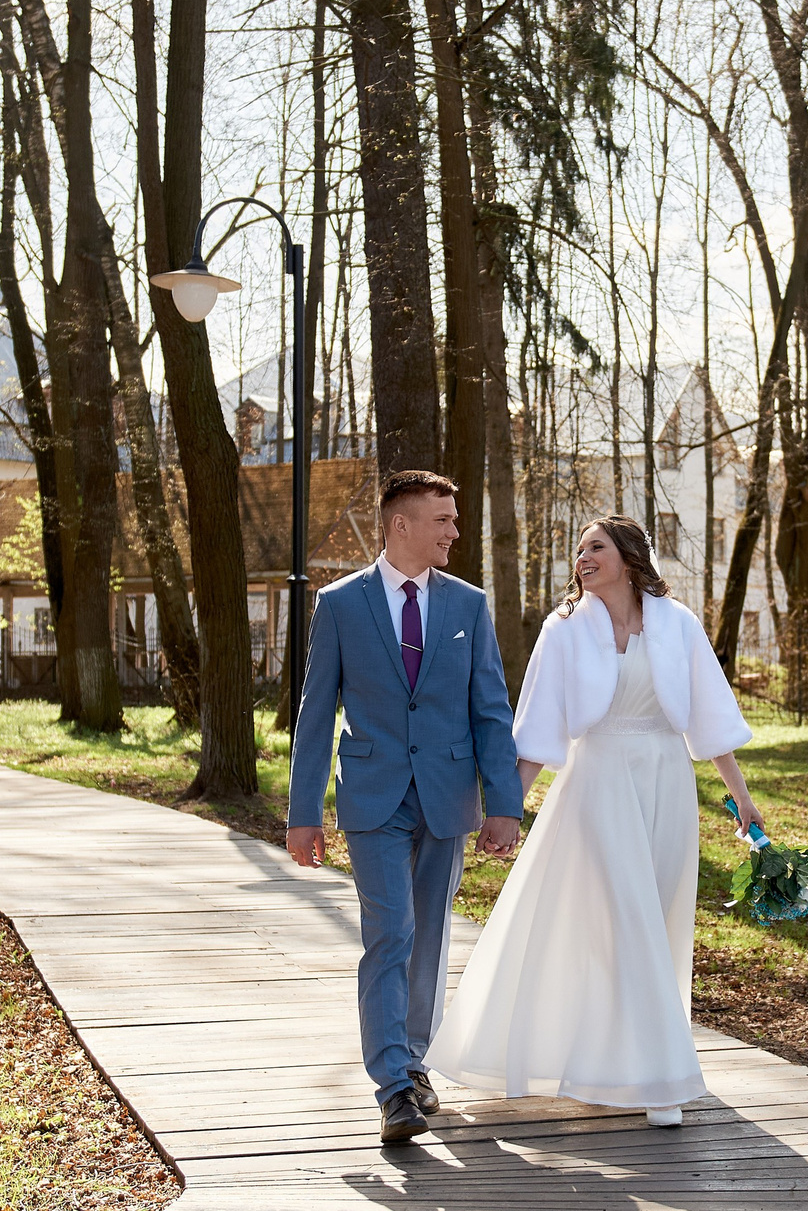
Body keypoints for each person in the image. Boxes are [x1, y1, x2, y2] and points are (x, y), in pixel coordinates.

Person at [426, 515, 762, 1127]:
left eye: (596, 547)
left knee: (656, 921)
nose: (582, 557)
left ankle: (616, 1066)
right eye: (578, 548)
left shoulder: (677, 624)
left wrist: (741, 798)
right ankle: (661, 1082)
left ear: (631, 557)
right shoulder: (564, 631)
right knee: (624, 916)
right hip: (597, 783)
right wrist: (508, 809)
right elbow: (538, 728)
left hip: (665, 781)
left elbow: (710, 717)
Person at [287, 470, 524, 1143]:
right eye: (443, 519)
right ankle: (393, 1083)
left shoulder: (468, 606)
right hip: (373, 795)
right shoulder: (339, 605)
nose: (455, 530)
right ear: (402, 525)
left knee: (429, 936)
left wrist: (503, 802)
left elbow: (490, 710)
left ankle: (414, 1060)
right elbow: (314, 715)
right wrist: (303, 813)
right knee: (390, 932)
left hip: (448, 796)